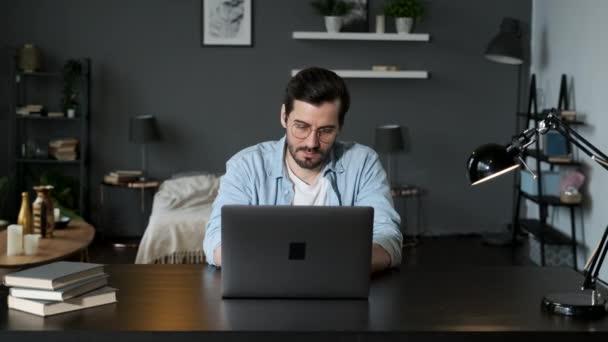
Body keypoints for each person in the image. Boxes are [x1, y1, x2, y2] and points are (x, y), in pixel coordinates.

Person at [203, 67, 403, 273]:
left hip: (339, 294)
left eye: (325, 130)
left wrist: (327, 268)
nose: (311, 143)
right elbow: (216, 240)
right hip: (264, 294)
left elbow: (387, 237)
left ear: (340, 126)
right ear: (284, 116)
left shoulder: (363, 163)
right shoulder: (245, 166)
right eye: (301, 126)